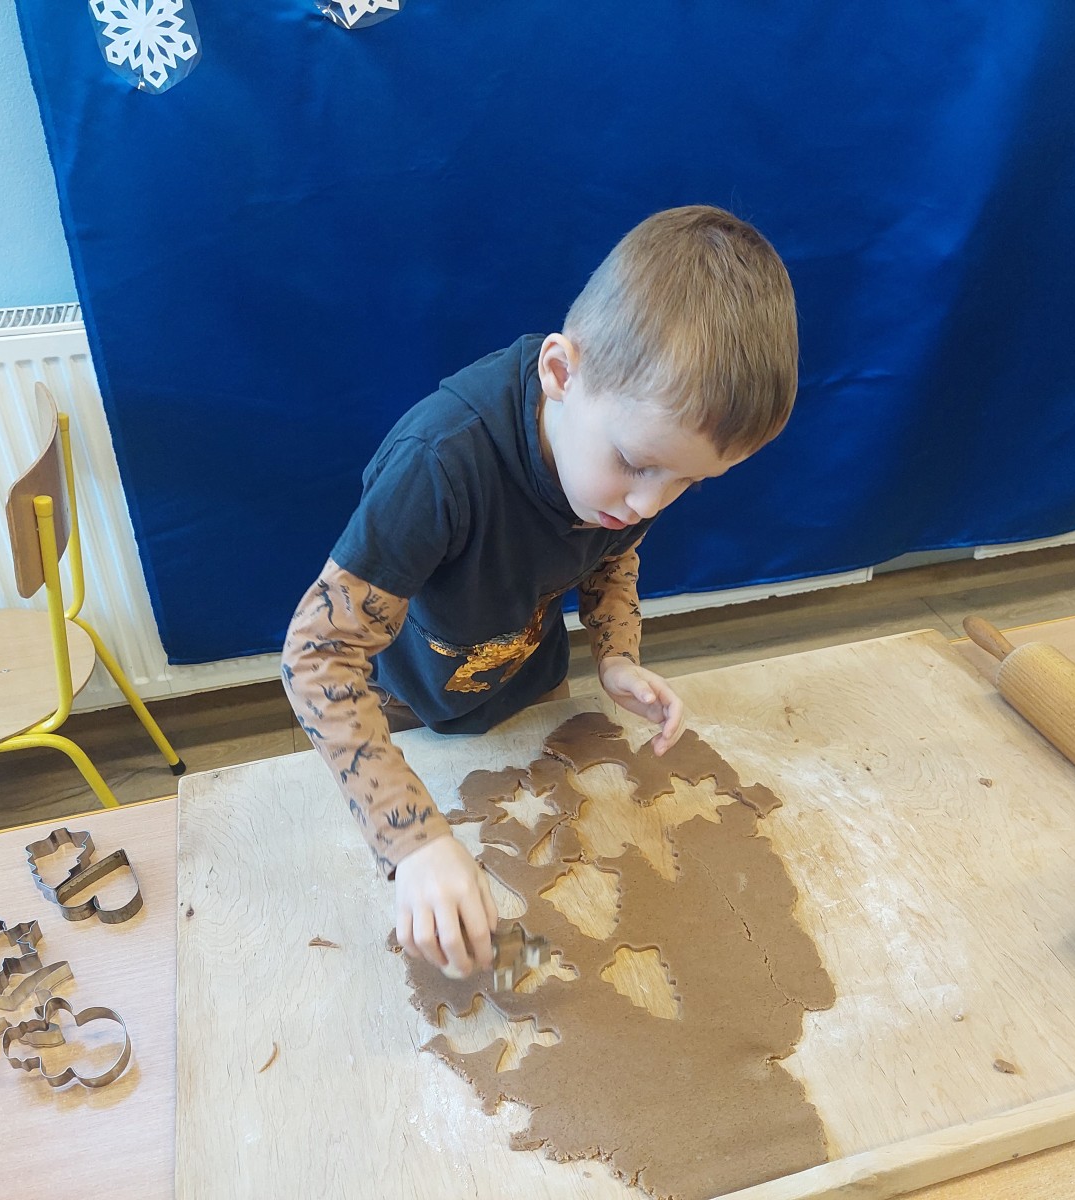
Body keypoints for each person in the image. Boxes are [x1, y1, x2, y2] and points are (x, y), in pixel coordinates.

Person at [281, 204, 798, 980]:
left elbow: (612, 555)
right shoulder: (438, 464)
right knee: (437, 899)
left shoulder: (624, 473)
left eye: (688, 482)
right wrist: (412, 841)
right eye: (637, 464)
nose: (651, 503)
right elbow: (317, 658)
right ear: (560, 373)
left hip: (529, 695)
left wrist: (617, 657)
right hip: (405, 717)